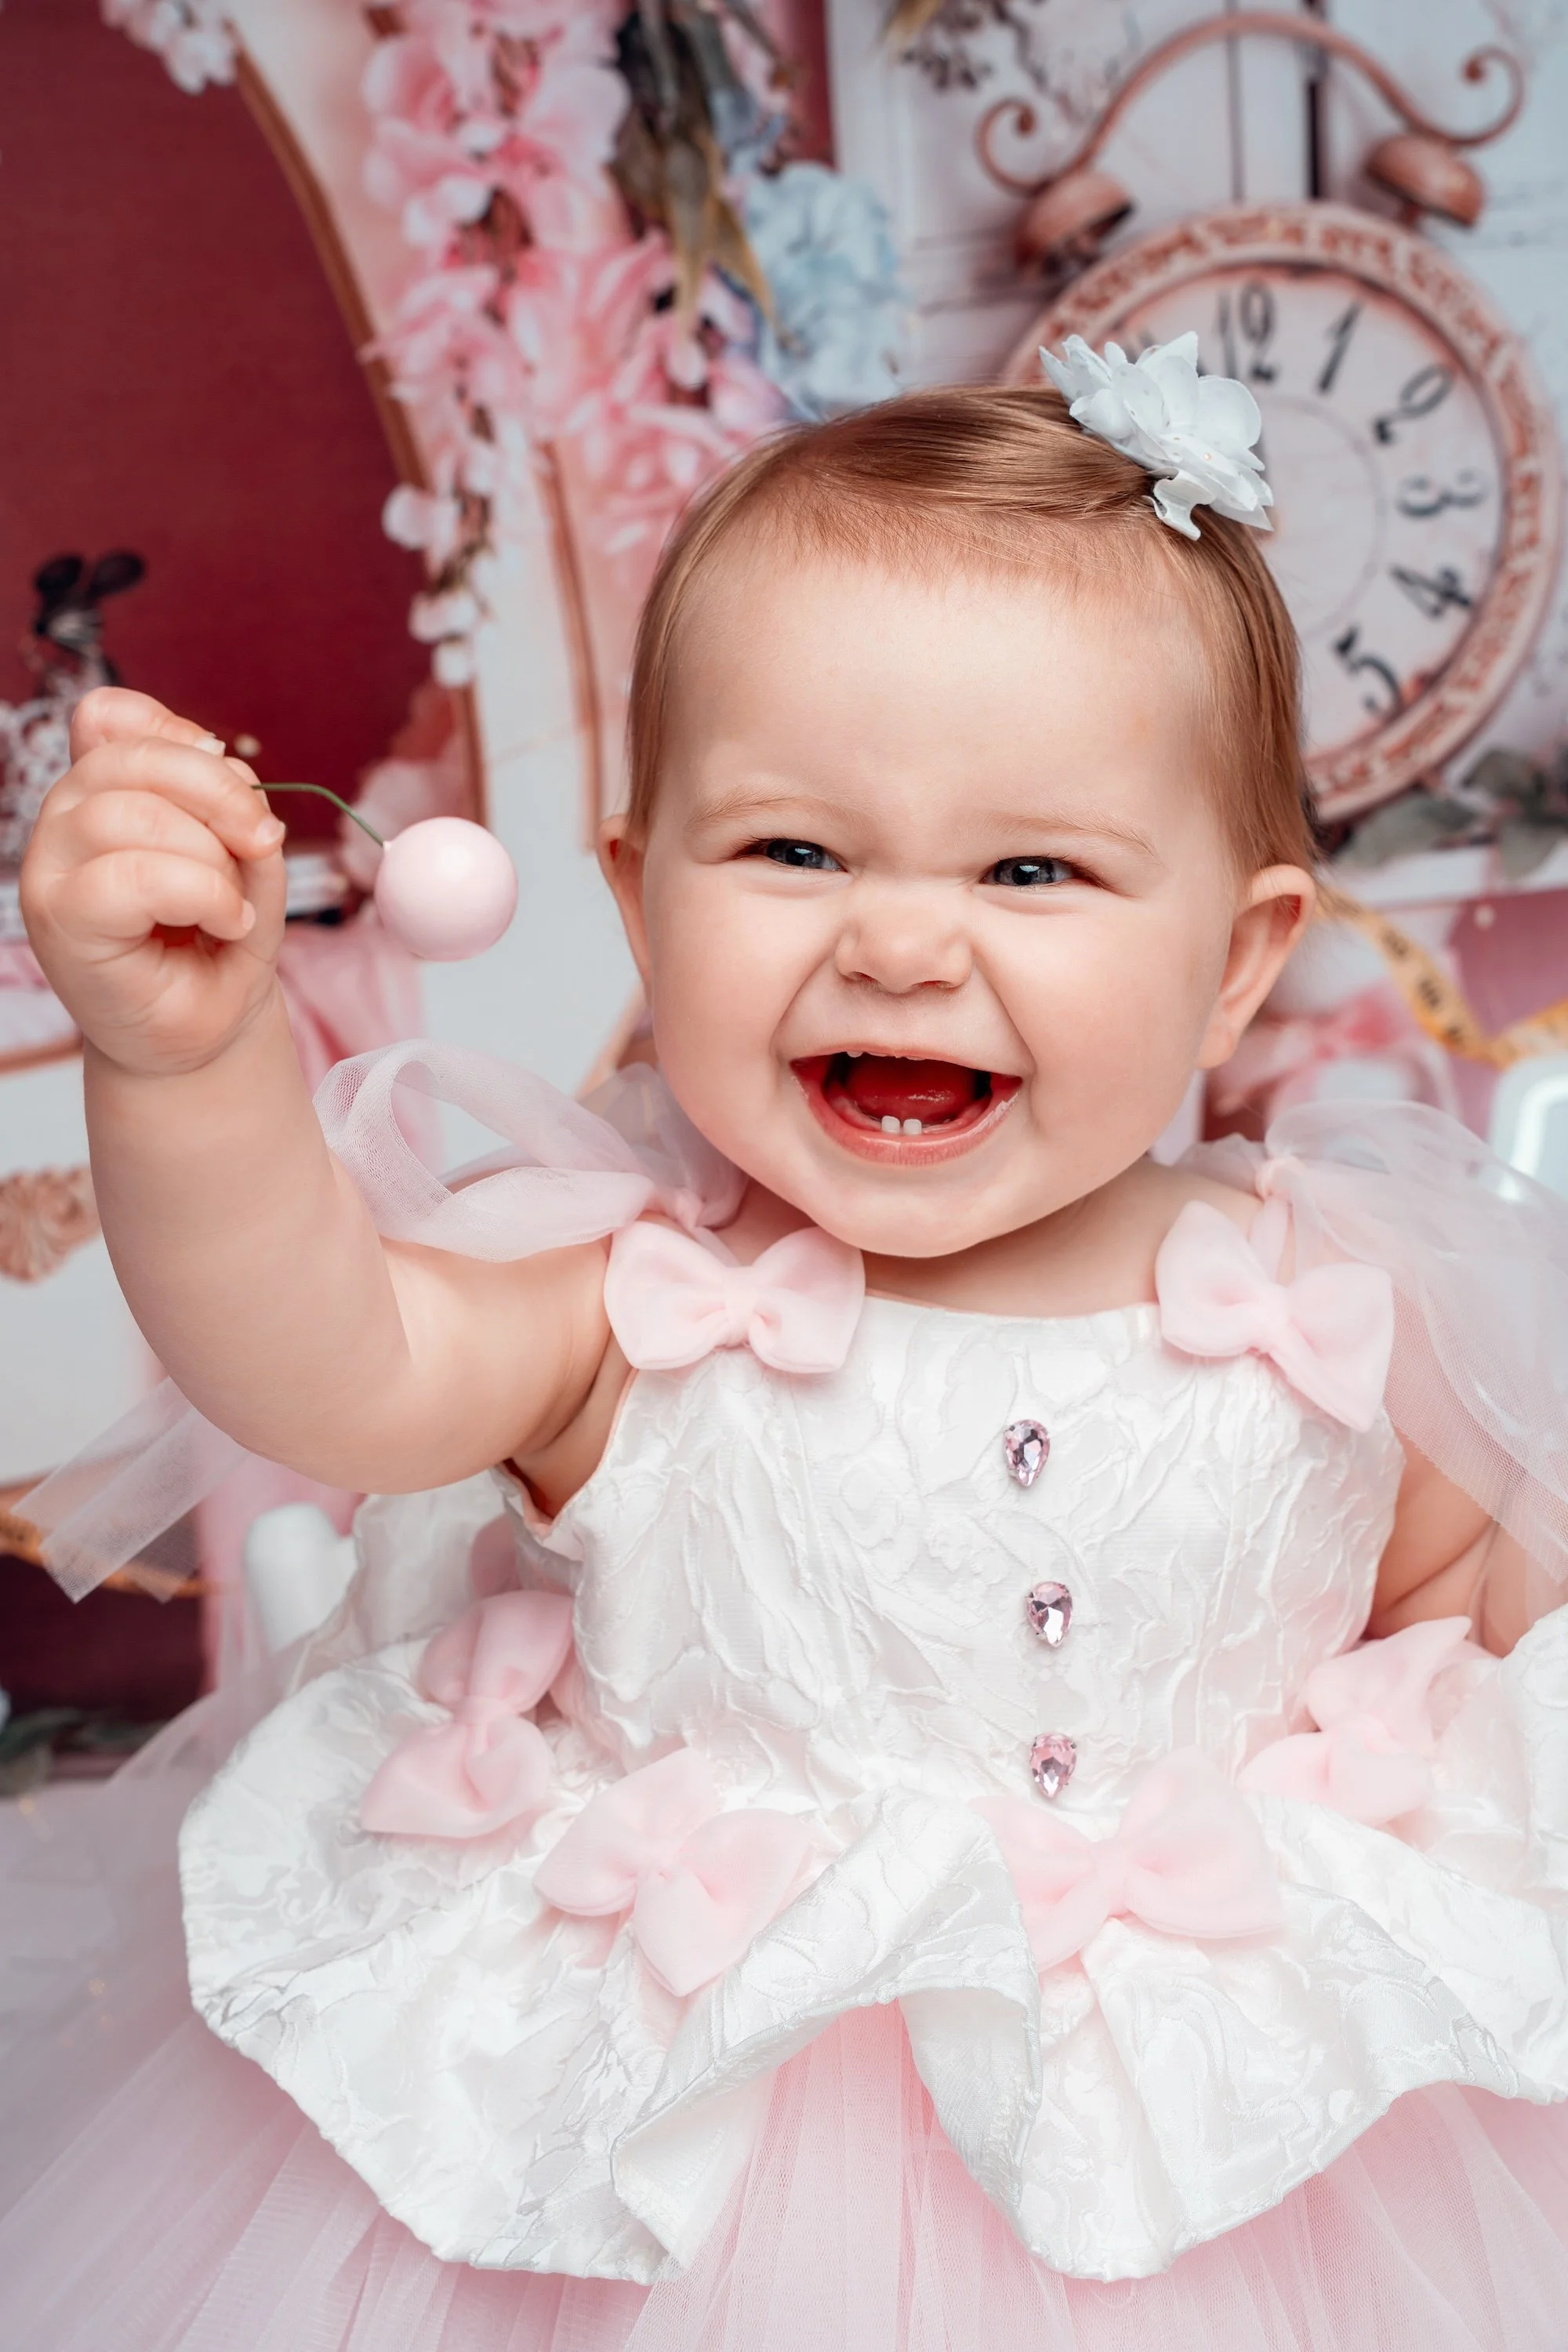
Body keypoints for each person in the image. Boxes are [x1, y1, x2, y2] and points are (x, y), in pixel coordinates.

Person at [5, 339, 1568, 2352]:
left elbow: (1489, 1624)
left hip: (1231, 2162)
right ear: (639, 900)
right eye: (795, 852)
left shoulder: (1323, 1306)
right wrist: (189, 1072)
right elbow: (321, 1363)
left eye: (1032, 870)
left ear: (1236, 954)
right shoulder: (626, 1298)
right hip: (696, 2144)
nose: (902, 943)